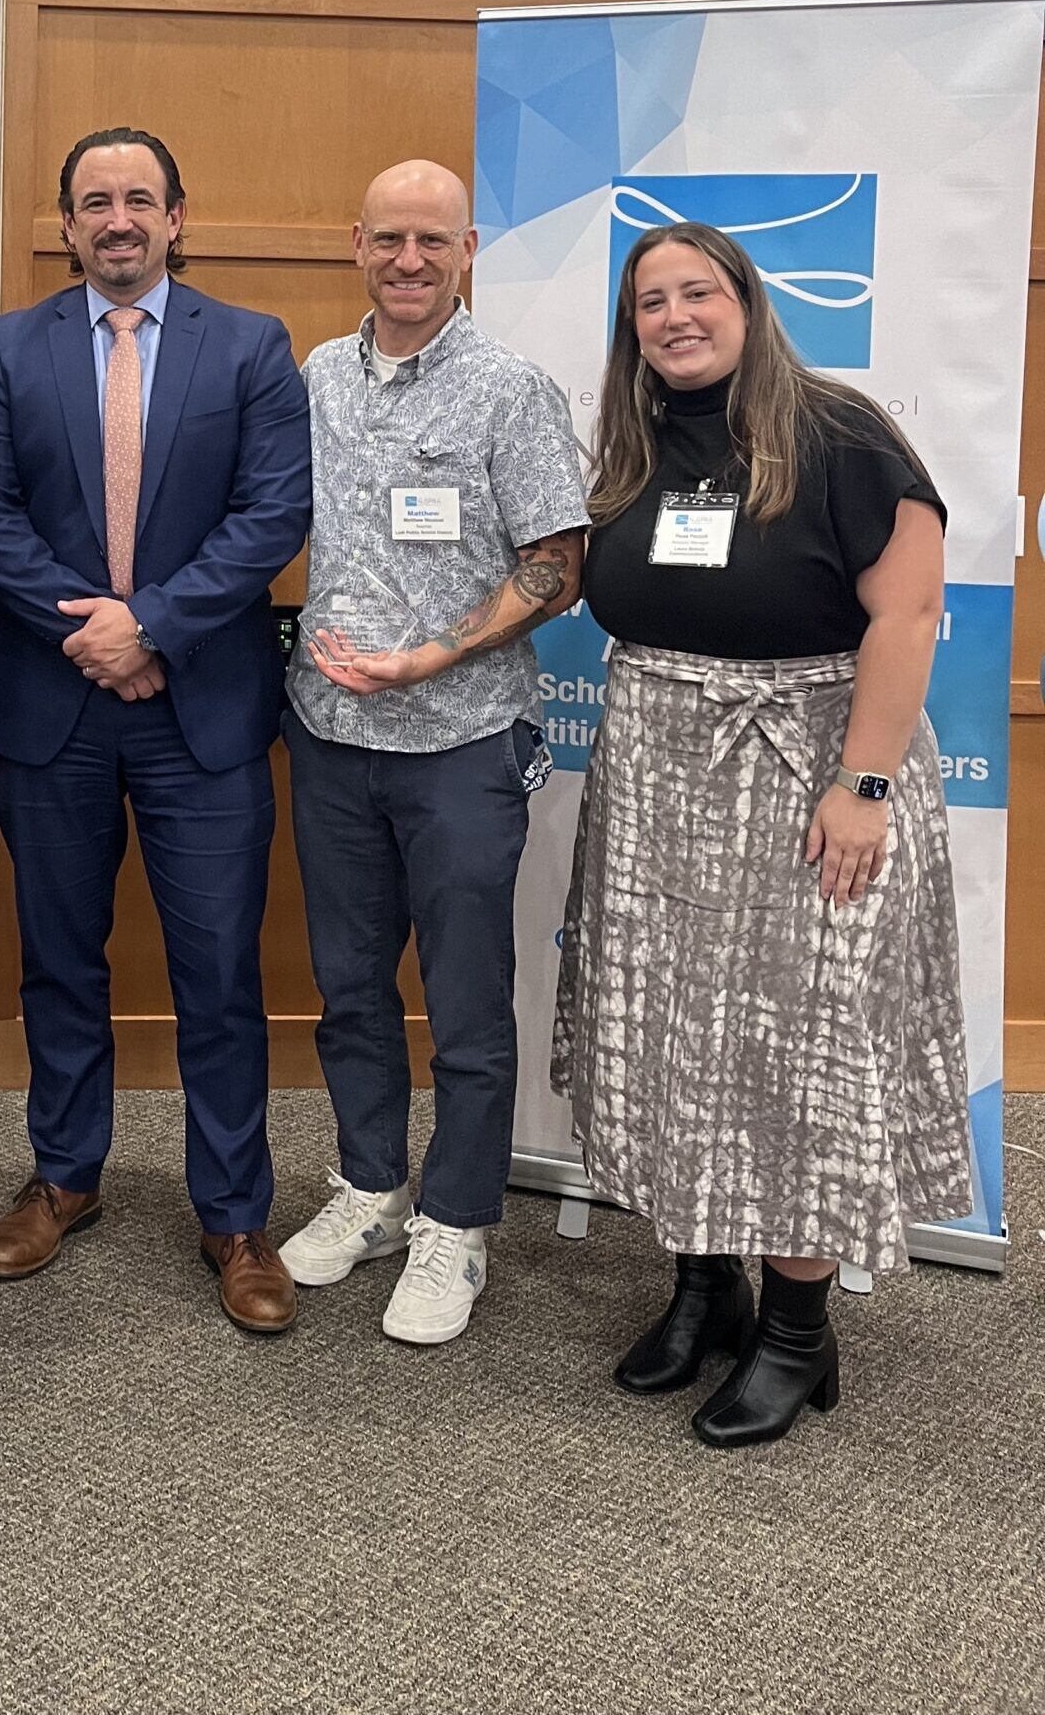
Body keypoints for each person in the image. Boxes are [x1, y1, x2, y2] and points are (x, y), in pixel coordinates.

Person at [551, 220, 973, 1449]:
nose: (675, 316)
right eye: (650, 302)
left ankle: (798, 1328)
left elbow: (910, 612)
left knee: (800, 1050)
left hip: (812, 775)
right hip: (661, 783)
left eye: (698, 292)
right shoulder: (634, 441)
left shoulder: (840, 431)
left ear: (748, 301)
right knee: (679, 1037)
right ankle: (704, 1283)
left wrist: (866, 783)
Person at [0, 127, 311, 1333]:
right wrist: (93, 636)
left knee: (218, 973)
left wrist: (150, 627)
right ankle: (64, 1175)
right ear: (65, 224)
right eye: (94, 201)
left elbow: (272, 517)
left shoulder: (251, 347)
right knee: (59, 959)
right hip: (53, 707)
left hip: (196, 706)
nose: (118, 219)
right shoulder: (8, 346)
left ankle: (236, 1213)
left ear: (176, 216)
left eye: (139, 199)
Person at [277, 161, 589, 1345]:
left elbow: (557, 563)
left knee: (465, 999)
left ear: (467, 250)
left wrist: (433, 655)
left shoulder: (511, 389)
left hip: (460, 740)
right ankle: (370, 1187)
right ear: (356, 242)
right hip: (330, 734)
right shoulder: (313, 377)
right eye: (388, 238)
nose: (409, 259)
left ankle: (455, 1221)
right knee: (349, 986)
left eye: (433, 241)